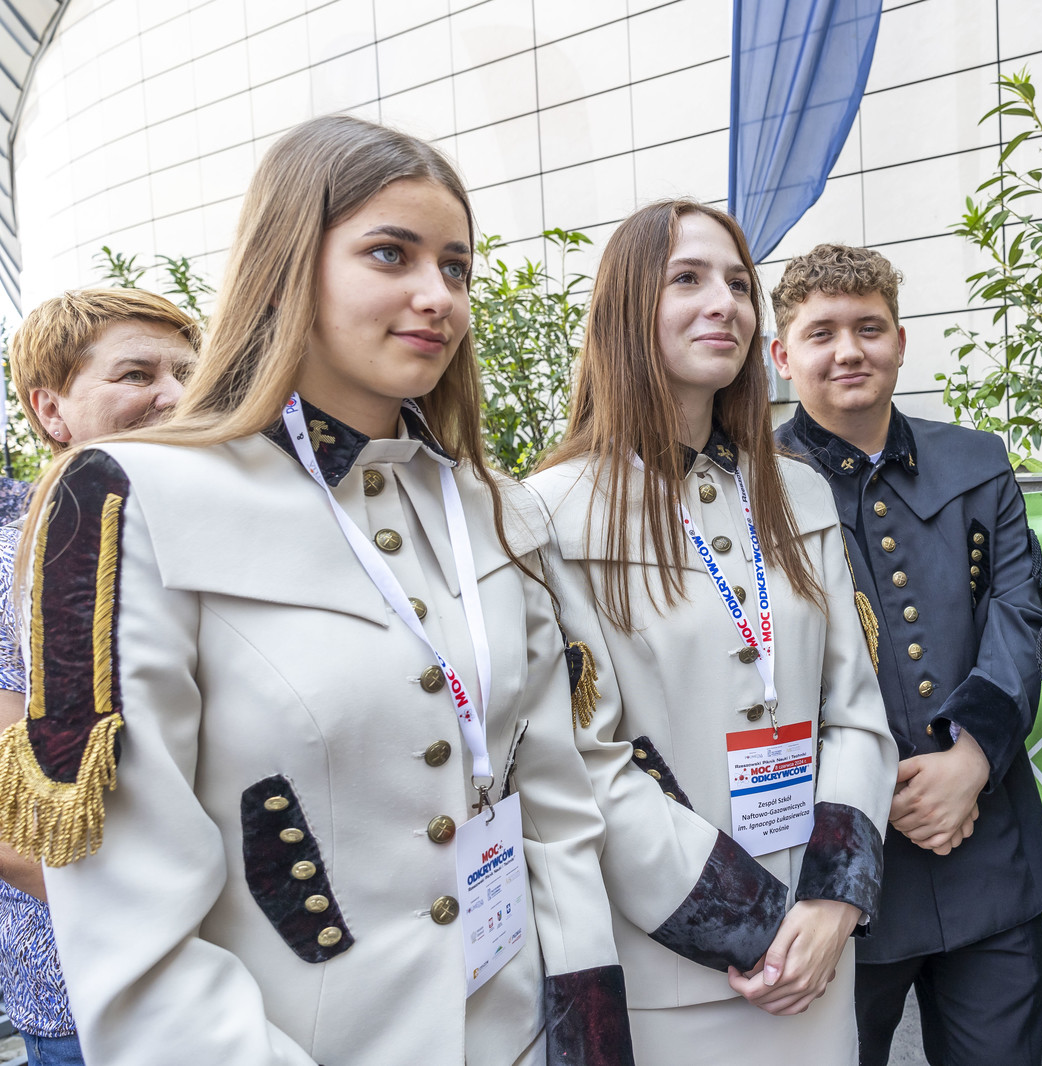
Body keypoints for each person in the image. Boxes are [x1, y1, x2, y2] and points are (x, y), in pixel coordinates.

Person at [0, 115, 632, 1066]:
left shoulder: (492, 507)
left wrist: (588, 1043)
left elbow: (556, 820)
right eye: (391, 253)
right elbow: (137, 942)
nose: (438, 296)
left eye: (457, 268)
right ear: (285, 264)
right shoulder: (133, 500)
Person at [524, 200, 897, 1065]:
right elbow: (581, 762)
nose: (724, 302)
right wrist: (754, 927)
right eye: (687, 279)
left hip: (818, 953)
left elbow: (854, 710)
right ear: (625, 308)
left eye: (737, 282)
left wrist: (833, 901)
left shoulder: (798, 493)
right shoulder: (549, 512)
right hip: (676, 974)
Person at [769, 245, 1042, 1066]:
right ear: (783, 356)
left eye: (869, 328)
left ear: (900, 341)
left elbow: (1020, 613)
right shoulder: (752, 486)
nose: (849, 350)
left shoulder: (977, 459)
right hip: (835, 871)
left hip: (988, 848)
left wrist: (972, 758)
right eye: (821, 333)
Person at [0, 287, 198, 1066]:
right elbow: (13, 825)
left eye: (187, 373)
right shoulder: (15, 560)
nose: (175, 396)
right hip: (92, 991)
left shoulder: (214, 534)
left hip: (252, 964)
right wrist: (176, 929)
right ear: (51, 410)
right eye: (136, 375)